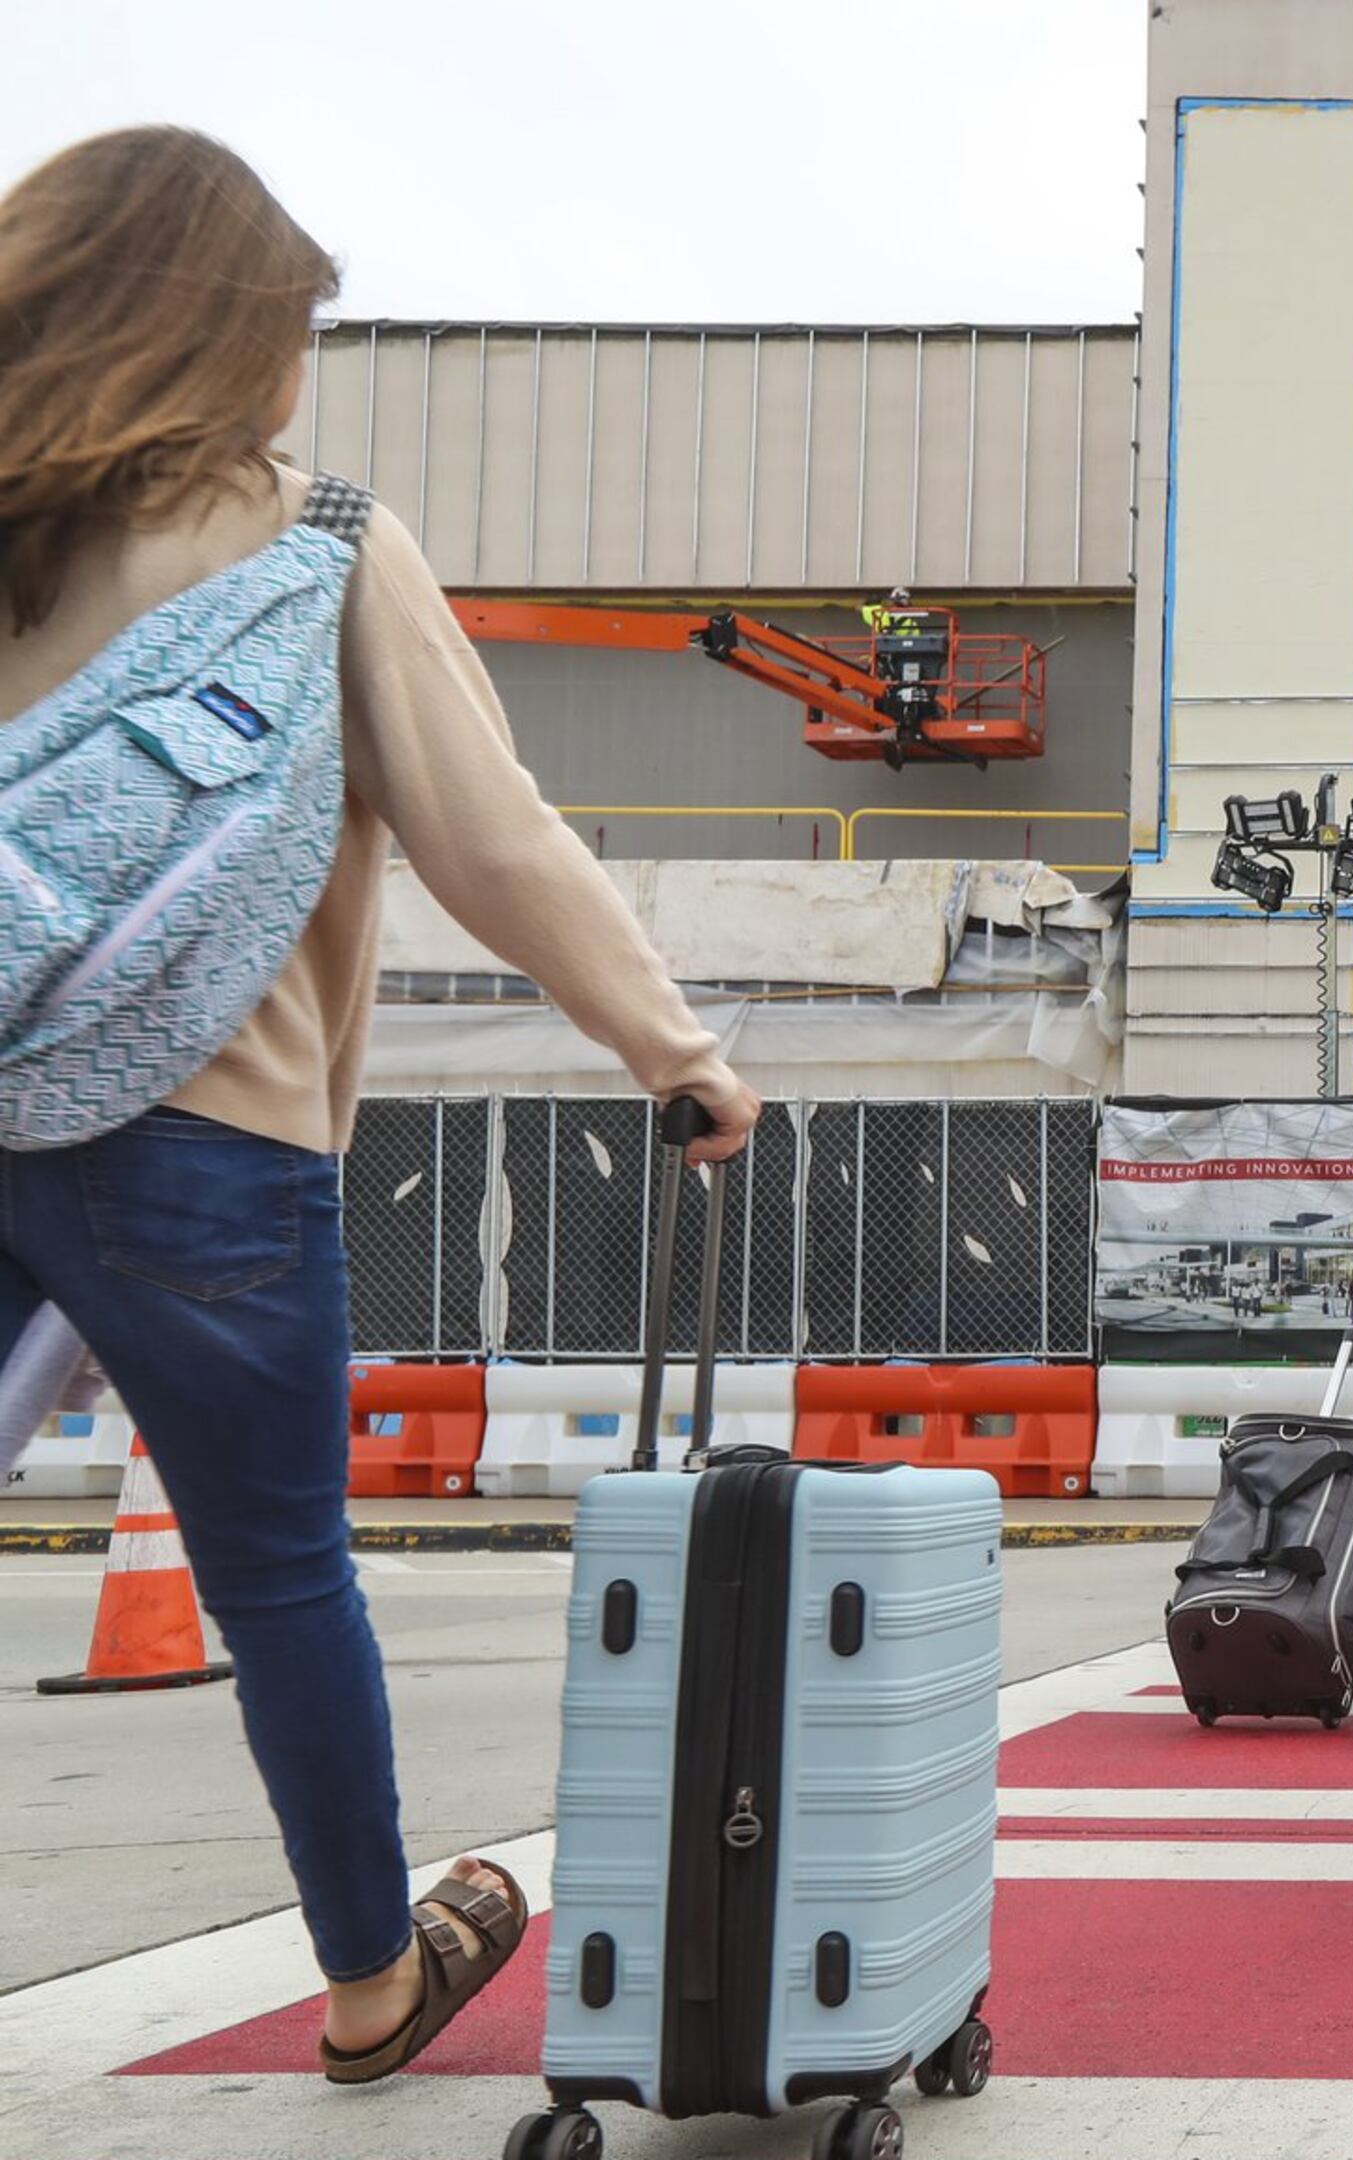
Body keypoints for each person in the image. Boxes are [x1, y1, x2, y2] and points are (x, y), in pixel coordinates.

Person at [0, 128, 761, 2084]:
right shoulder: (312, 544)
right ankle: (365, 1978)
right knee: (278, 1579)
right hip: (209, 1147)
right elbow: (492, 843)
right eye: (293, 328)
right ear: (219, 330)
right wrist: (674, 1050)